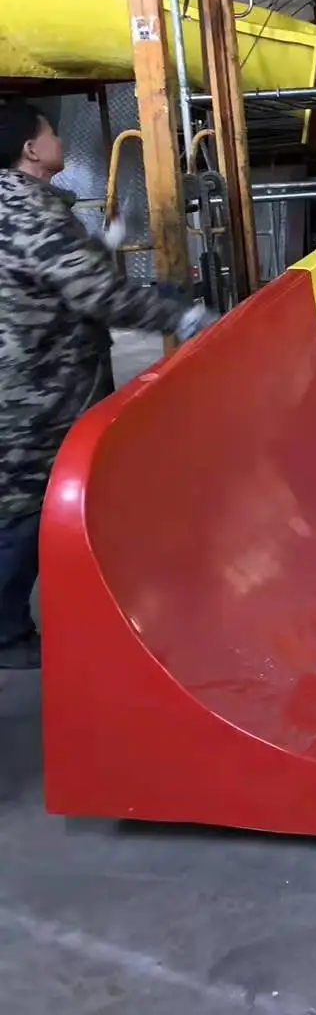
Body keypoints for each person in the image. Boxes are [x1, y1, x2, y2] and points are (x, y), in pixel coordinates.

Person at [0, 103, 213, 670]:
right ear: (31, 149)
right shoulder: (33, 211)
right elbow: (97, 295)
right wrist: (182, 318)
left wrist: (101, 248)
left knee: (22, 503)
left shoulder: (18, 204)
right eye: (50, 132)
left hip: (22, 377)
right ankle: (6, 634)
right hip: (37, 390)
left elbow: (50, 272)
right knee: (27, 508)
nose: (58, 140)